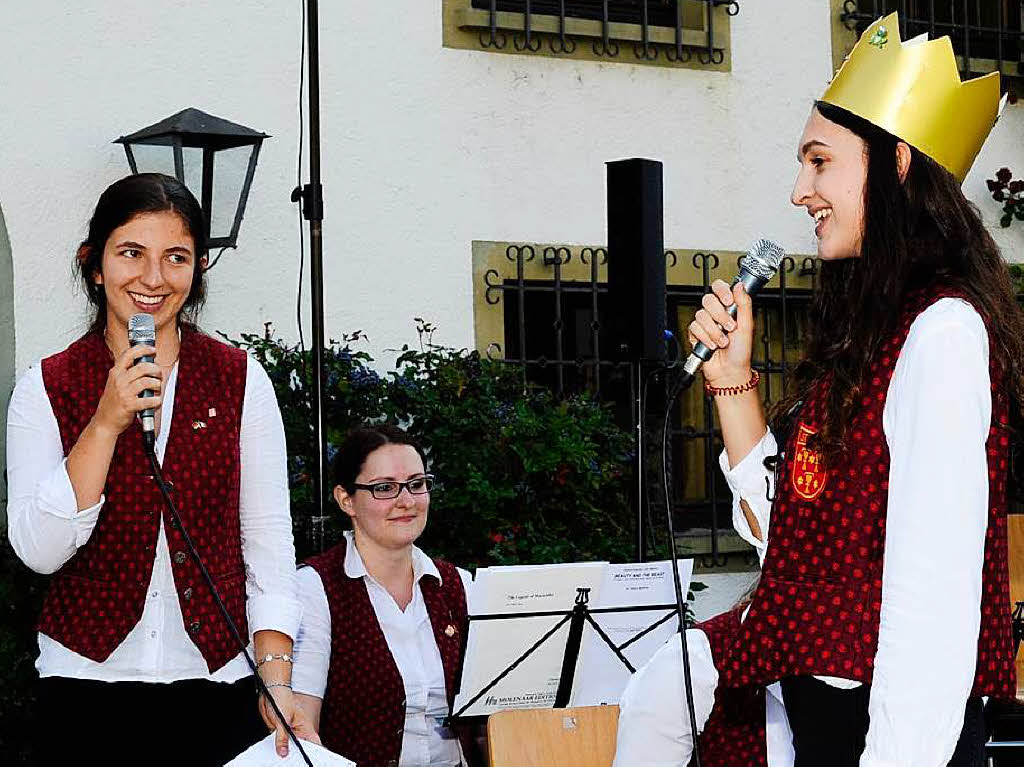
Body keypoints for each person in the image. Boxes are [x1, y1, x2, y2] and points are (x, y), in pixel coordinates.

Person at [614, 12, 1021, 766]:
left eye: (819, 161)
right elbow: (799, 540)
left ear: (897, 163)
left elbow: (931, 606)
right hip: (829, 723)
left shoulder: (942, 334)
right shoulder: (872, 330)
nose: (800, 191)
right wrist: (733, 379)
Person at [6, 173, 314, 765]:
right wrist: (104, 423)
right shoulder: (45, 387)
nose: (153, 278)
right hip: (84, 688)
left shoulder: (241, 380)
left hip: (218, 685)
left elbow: (269, 546)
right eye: (131, 253)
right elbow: (38, 552)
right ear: (94, 265)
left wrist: (276, 676)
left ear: (197, 271)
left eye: (176, 257)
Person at [291, 425, 479, 767]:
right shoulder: (315, 589)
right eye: (384, 489)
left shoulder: (459, 586)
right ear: (345, 499)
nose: (406, 501)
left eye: (417, 484)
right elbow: (302, 725)